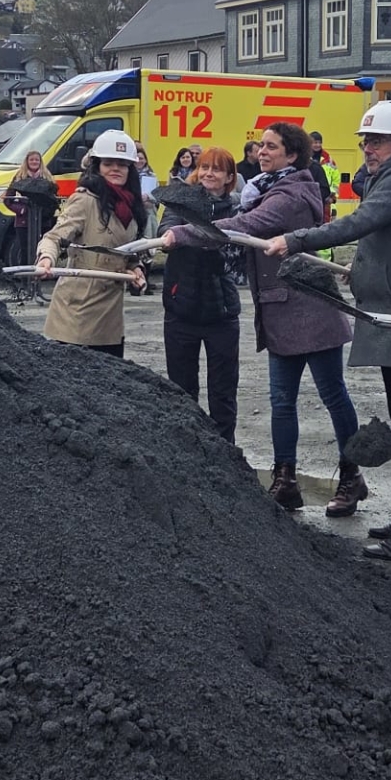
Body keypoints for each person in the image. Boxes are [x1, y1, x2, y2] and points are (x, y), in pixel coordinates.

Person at [268, 101, 391, 557]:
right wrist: (360, 269)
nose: (366, 148)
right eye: (364, 141)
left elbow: (361, 223)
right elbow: (382, 238)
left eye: (375, 141)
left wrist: (295, 239)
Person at [164, 123, 355, 509]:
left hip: (311, 307)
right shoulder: (265, 189)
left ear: (292, 155)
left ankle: (352, 477)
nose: (261, 151)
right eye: (261, 146)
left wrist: (185, 233)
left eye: (271, 147)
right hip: (280, 308)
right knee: (281, 401)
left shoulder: (292, 193)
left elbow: (247, 226)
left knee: (332, 395)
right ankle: (285, 479)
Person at [36, 129, 147, 354]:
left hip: (111, 313)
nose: (115, 169)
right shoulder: (84, 200)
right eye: (108, 163)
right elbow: (54, 236)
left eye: (122, 164)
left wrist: (135, 268)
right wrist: (46, 258)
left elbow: (125, 251)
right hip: (78, 309)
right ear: (97, 166)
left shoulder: (132, 207)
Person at [161, 146, 241, 441]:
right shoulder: (181, 201)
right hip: (181, 307)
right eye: (204, 166)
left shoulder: (236, 209)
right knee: (181, 390)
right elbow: (166, 231)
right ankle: (187, 450)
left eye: (217, 169)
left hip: (222, 311)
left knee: (223, 391)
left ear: (229, 177)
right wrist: (175, 236)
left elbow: (240, 246)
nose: (209, 173)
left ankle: (225, 451)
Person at [2, 150, 59, 270]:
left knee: (42, 249)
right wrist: (21, 210)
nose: (34, 162)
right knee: (25, 250)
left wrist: (47, 212)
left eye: (36, 160)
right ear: (27, 161)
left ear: (40, 162)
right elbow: (7, 199)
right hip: (24, 221)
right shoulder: (19, 177)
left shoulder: (47, 178)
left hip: (43, 220)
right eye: (31, 159)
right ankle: (25, 279)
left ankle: (40, 276)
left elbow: (53, 199)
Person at [309, 130, 339, 221]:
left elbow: (336, 179)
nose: (318, 145)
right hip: (309, 197)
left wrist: (332, 196)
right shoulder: (304, 157)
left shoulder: (328, 159)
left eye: (320, 142)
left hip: (326, 201)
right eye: (315, 142)